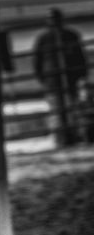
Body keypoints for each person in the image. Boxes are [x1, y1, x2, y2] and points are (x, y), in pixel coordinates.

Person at [32, 8, 89, 145]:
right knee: (63, 110)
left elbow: (37, 62)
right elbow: (38, 61)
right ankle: (66, 138)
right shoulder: (59, 37)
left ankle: (67, 137)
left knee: (65, 109)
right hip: (58, 80)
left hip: (62, 80)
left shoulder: (52, 38)